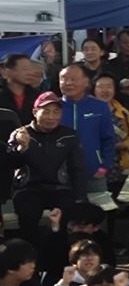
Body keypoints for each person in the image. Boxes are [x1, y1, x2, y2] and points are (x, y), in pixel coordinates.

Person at [8, 92, 86, 253]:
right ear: (35, 112)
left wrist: (81, 197)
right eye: (46, 111)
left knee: (67, 216)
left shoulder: (69, 135)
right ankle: (29, 258)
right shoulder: (21, 133)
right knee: (29, 217)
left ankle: (58, 258)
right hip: (28, 188)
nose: (51, 117)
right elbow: (9, 164)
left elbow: (77, 167)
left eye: (56, 112)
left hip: (59, 188)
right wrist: (22, 148)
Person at [56, 63, 118, 203]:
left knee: (97, 214)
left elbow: (108, 139)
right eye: (63, 79)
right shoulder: (53, 107)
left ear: (86, 82)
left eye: (73, 79)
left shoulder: (99, 106)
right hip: (60, 174)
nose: (68, 83)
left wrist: (103, 167)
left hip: (93, 171)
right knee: (65, 215)